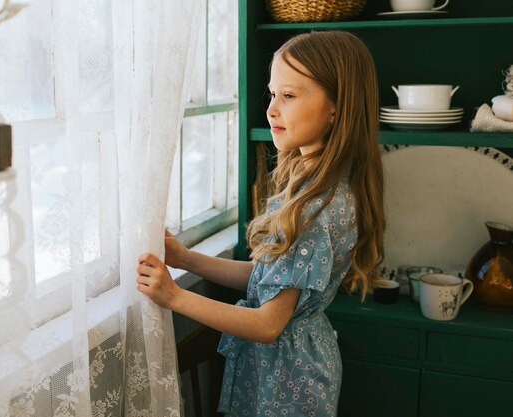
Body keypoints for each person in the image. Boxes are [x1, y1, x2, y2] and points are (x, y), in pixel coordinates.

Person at [136, 30, 384, 417]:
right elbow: (268, 277)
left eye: (289, 95)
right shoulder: (313, 186)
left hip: (288, 382)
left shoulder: (315, 208)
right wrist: (186, 259)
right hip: (284, 368)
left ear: (338, 106)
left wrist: (175, 297)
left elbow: (269, 324)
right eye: (272, 94)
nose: (271, 109)